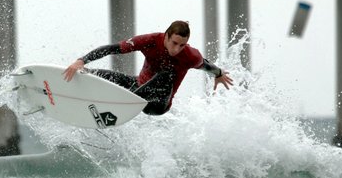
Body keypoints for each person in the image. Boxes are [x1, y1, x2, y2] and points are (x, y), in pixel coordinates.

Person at [63, 21, 233, 116]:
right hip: (138, 88)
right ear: (165, 36)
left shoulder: (190, 55)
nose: (176, 49)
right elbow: (113, 48)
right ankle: (77, 83)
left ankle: (123, 103)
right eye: (174, 43)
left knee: (166, 75)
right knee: (104, 75)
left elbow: (206, 65)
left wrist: (218, 74)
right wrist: (82, 60)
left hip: (158, 104)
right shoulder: (150, 40)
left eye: (182, 45)